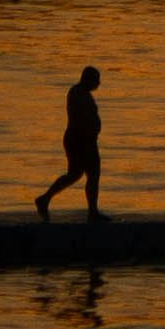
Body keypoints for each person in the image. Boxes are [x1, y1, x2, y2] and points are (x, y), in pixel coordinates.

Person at [36, 65, 103, 221]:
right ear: (88, 79)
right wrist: (89, 135)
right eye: (96, 80)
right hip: (80, 140)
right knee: (89, 174)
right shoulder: (78, 93)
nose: (99, 83)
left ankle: (45, 199)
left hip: (83, 139)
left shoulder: (82, 93)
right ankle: (92, 212)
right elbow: (82, 118)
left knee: (76, 174)